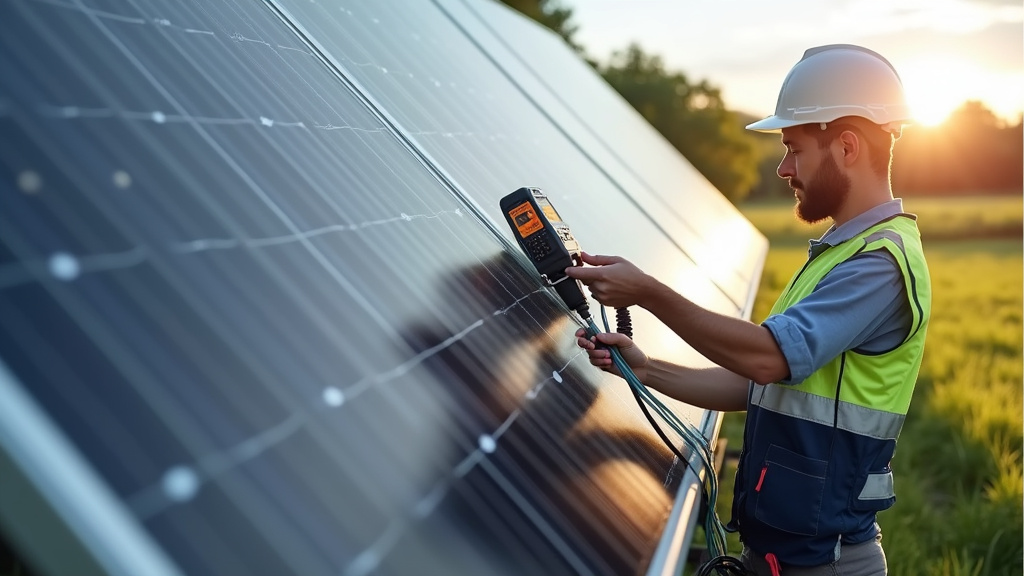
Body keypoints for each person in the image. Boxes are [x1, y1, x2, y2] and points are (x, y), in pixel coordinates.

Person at [565, 44, 931, 576]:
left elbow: (766, 360)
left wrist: (647, 292)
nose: (783, 168)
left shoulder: (879, 264)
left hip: (824, 561)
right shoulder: (839, 254)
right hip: (786, 553)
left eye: (794, 148)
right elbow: (759, 384)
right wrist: (643, 368)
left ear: (847, 146)